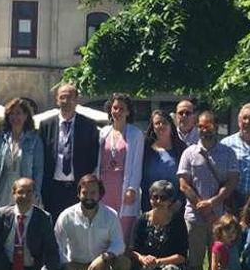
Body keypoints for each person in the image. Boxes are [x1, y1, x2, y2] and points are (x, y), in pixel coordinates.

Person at [178, 111, 239, 270]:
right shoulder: (189, 152)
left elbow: (232, 182)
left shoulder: (228, 153)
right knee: (195, 259)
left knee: (219, 258)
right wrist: (200, 205)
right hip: (194, 217)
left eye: (209, 125)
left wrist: (213, 202)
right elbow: (184, 184)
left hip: (219, 219)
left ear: (216, 126)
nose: (205, 130)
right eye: (201, 126)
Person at [55, 174, 130, 270]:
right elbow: (57, 245)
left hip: (104, 265)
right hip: (77, 266)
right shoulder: (66, 216)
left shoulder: (111, 215)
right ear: (78, 194)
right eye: (85, 193)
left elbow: (119, 244)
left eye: (93, 192)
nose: (89, 196)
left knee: (123, 263)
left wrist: (103, 258)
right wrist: (67, 267)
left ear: (100, 194)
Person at [39, 83, 99, 222]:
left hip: (78, 187)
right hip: (52, 187)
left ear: (76, 100)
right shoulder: (46, 125)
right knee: (52, 225)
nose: (66, 101)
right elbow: (42, 156)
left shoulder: (88, 125)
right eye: (62, 97)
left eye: (70, 97)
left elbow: (93, 156)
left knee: (76, 223)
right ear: (57, 100)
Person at [129, 180, 187, 270]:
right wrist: (142, 258)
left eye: (163, 198)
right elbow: (132, 250)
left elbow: (182, 256)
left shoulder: (177, 222)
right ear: (150, 198)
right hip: (147, 269)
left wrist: (158, 262)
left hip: (172, 269)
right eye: (155, 197)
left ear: (170, 201)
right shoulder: (142, 220)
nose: (158, 201)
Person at [98, 93, 145, 247]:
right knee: (103, 229)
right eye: (115, 108)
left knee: (122, 233)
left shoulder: (136, 134)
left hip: (123, 188)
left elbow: (137, 165)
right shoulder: (103, 133)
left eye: (121, 109)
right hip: (104, 188)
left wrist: (132, 188)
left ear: (128, 112)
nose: (117, 112)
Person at [0, 98, 44, 209]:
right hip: (4, 190)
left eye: (18, 113)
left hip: (25, 192)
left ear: (26, 116)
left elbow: (38, 171)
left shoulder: (34, 140)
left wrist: (35, 195)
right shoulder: (1, 140)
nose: (15, 117)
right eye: (11, 114)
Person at [141, 110, 187, 212]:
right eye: (157, 123)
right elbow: (141, 179)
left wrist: (179, 202)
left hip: (175, 207)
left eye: (164, 123)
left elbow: (187, 179)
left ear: (171, 126)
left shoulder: (181, 149)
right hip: (150, 206)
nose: (161, 125)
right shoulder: (145, 149)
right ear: (153, 127)